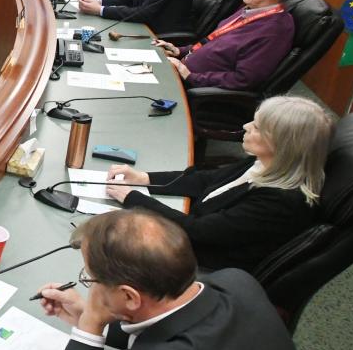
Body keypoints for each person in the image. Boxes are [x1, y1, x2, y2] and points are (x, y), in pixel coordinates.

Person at [38, 209, 308, 350]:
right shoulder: (238, 282)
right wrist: (92, 314)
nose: (91, 288)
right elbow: (168, 325)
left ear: (130, 296)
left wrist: (90, 324)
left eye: (91, 279)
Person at [105, 95, 330, 272]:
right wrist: (145, 178)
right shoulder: (264, 162)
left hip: (197, 262)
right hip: (191, 232)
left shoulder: (279, 202)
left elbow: (197, 232)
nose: (245, 126)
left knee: (103, 239)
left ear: (282, 144)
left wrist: (132, 198)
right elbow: (208, 179)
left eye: (257, 127)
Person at [153, 0, 298, 90]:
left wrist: (190, 76)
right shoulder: (250, 10)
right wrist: (180, 51)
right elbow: (214, 43)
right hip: (180, 69)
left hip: (192, 85)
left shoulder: (276, 30)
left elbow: (244, 79)